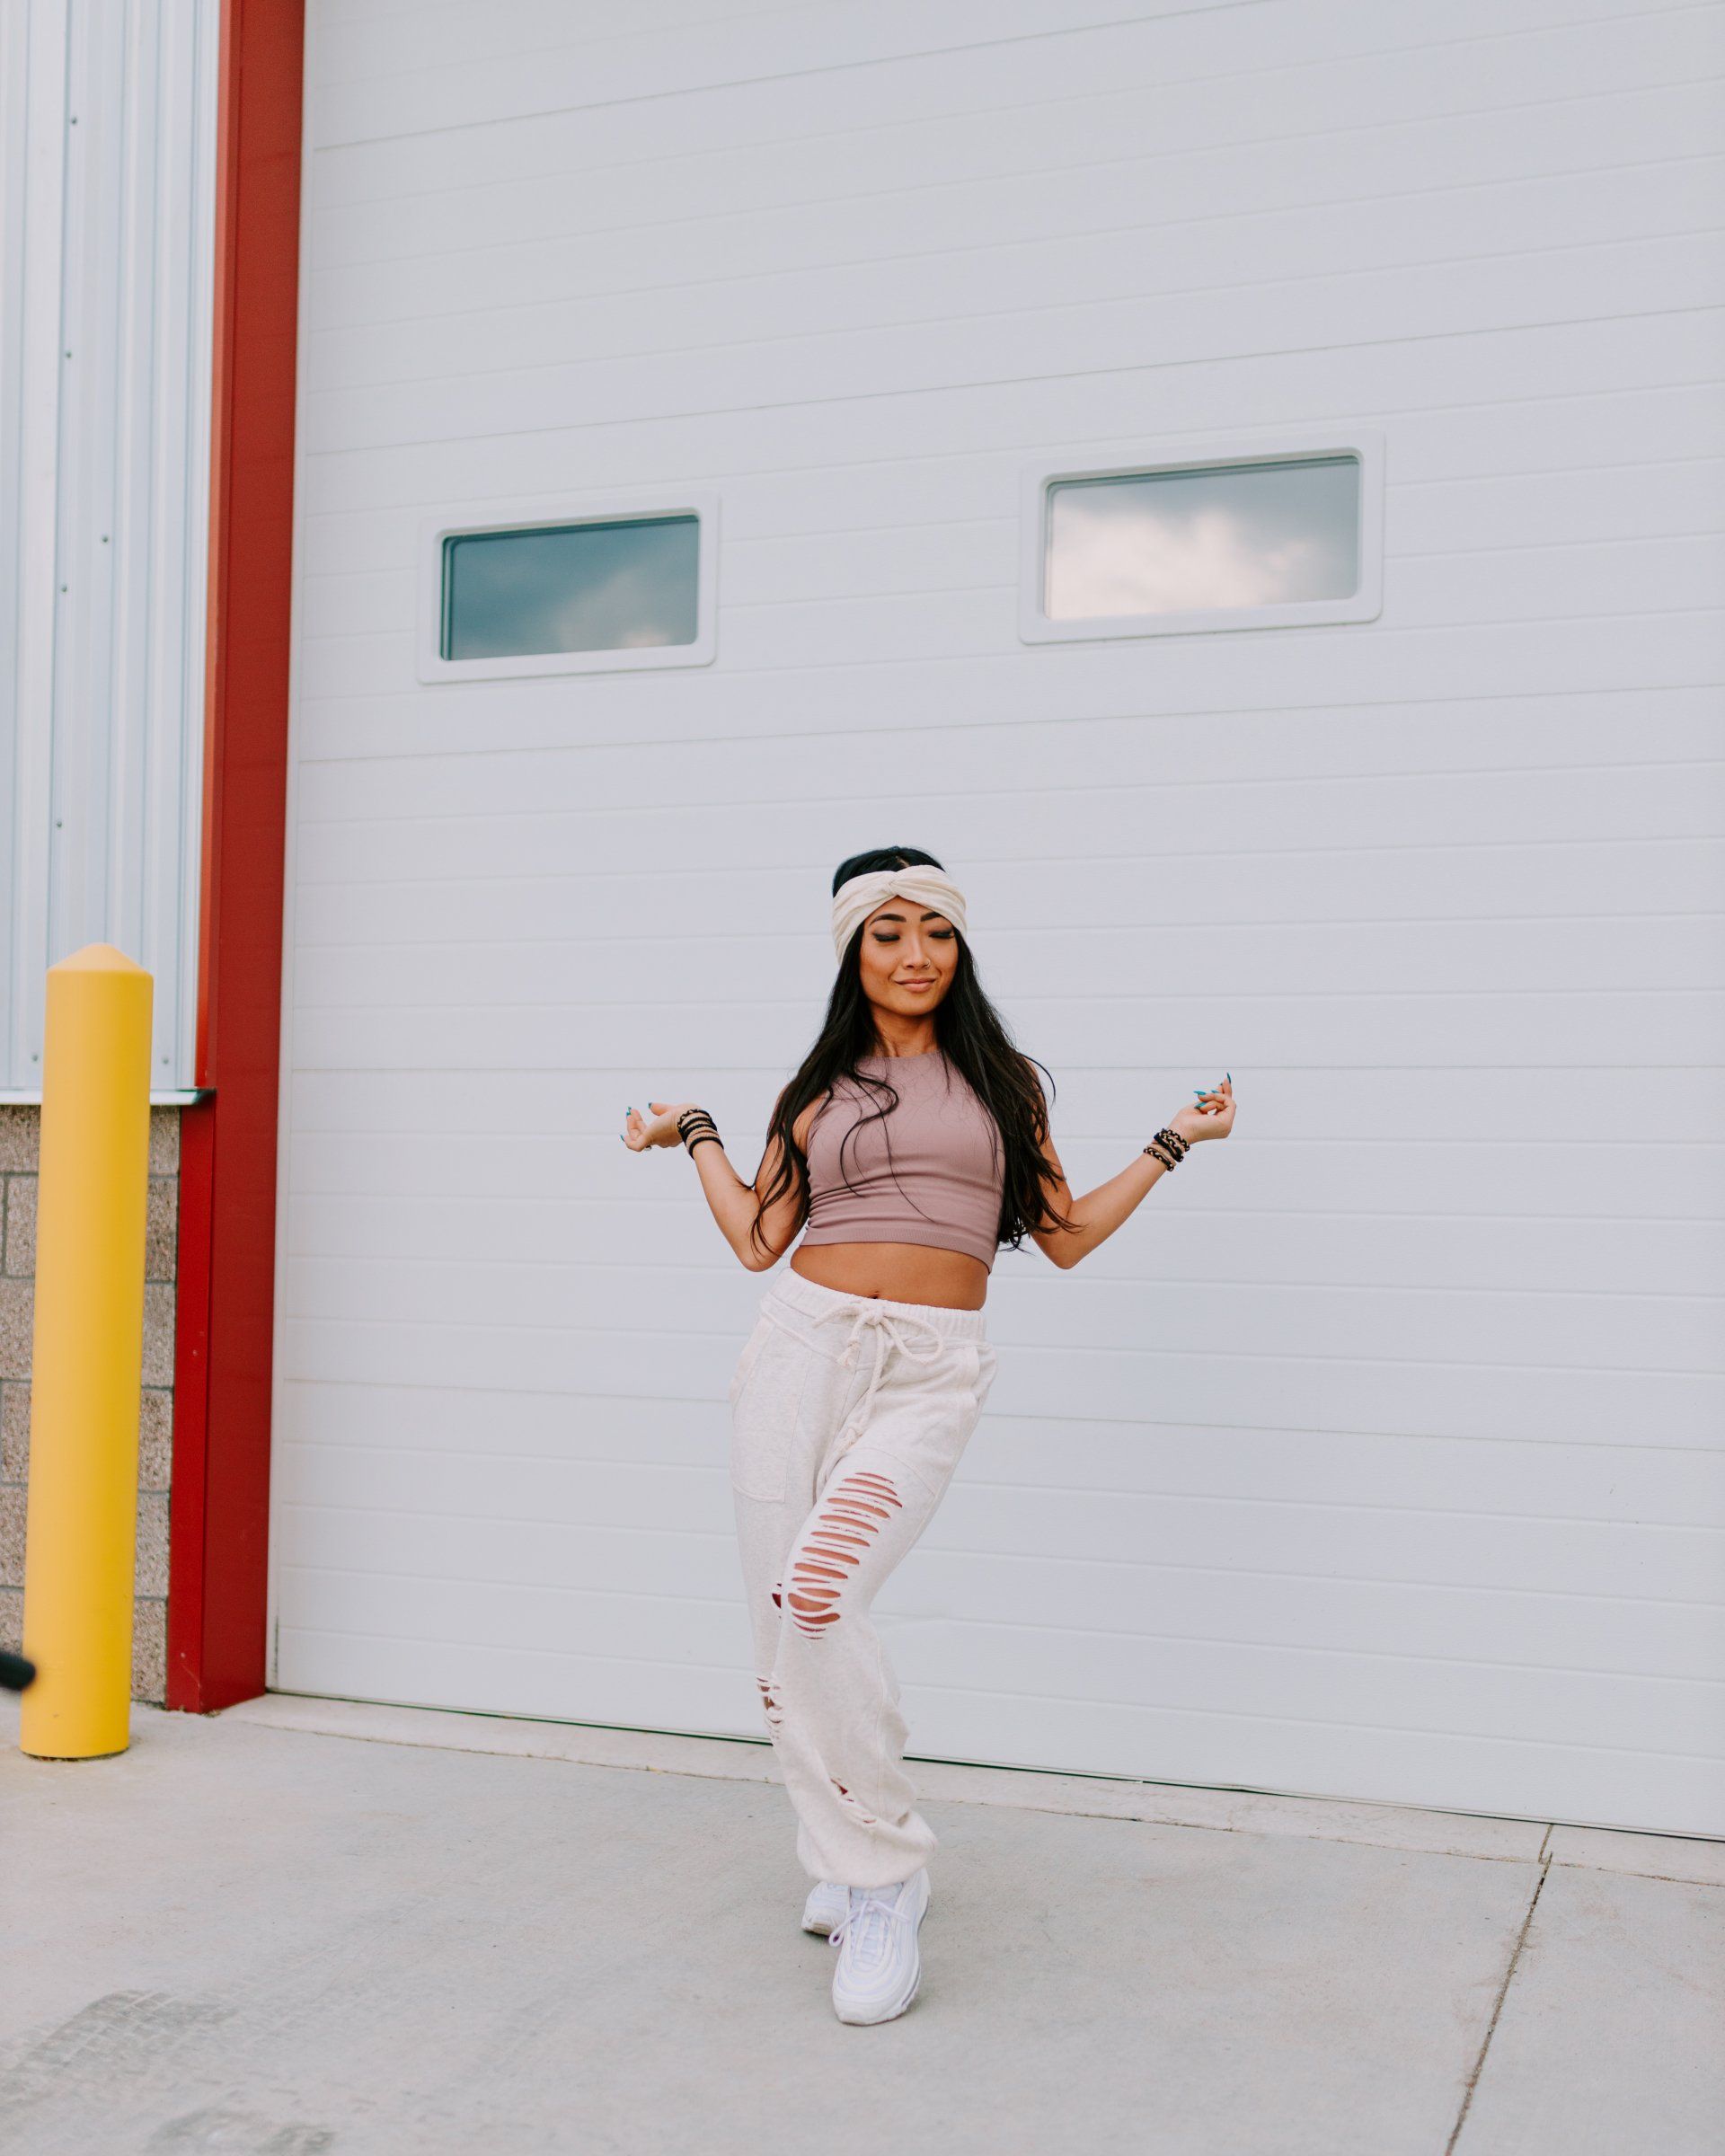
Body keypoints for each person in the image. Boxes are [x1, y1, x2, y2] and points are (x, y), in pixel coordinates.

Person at [622, 848, 1235, 2024]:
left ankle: (885, 1871)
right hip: (800, 1349)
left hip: (927, 1373)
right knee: (776, 1631)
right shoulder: (816, 1092)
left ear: (961, 948)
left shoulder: (1005, 1085)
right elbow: (758, 1241)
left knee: (819, 1593)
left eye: (937, 931)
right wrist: (695, 1130)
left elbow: (1062, 1236)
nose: (916, 955)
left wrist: (1171, 1143)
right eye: (889, 932)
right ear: (855, 951)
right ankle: (848, 1859)